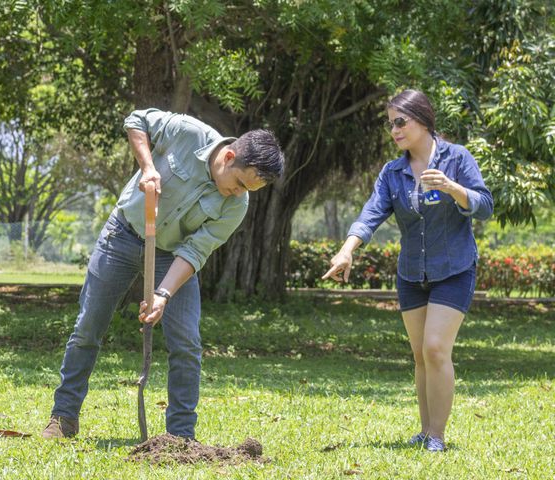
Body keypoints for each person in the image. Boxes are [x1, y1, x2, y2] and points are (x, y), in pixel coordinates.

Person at [42, 108, 285, 440]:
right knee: (88, 327)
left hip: (172, 257)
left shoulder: (236, 206)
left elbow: (195, 251)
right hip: (122, 236)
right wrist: (148, 168)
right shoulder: (189, 133)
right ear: (229, 157)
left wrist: (163, 294)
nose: (239, 193)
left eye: (248, 190)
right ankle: (64, 417)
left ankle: (180, 436)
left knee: (186, 343)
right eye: (239, 183)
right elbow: (135, 119)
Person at [323, 89, 493, 452]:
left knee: (435, 349)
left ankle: (437, 436)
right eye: (390, 124)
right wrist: (346, 250)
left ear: (423, 120)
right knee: (419, 354)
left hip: (454, 269)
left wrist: (452, 189)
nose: (394, 130)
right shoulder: (393, 172)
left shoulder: (457, 158)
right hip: (412, 274)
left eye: (401, 122)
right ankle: (425, 428)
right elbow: (371, 213)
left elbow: (484, 205)